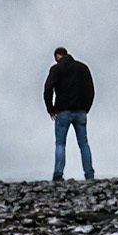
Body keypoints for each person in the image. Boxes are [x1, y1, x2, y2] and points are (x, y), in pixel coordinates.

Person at [44, 46, 94, 181]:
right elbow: (90, 89)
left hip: (63, 111)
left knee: (60, 144)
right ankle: (89, 174)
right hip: (80, 111)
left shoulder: (56, 69)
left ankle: (58, 174)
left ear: (57, 56)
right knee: (83, 144)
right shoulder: (83, 68)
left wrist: (50, 109)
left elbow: (48, 88)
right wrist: (86, 108)